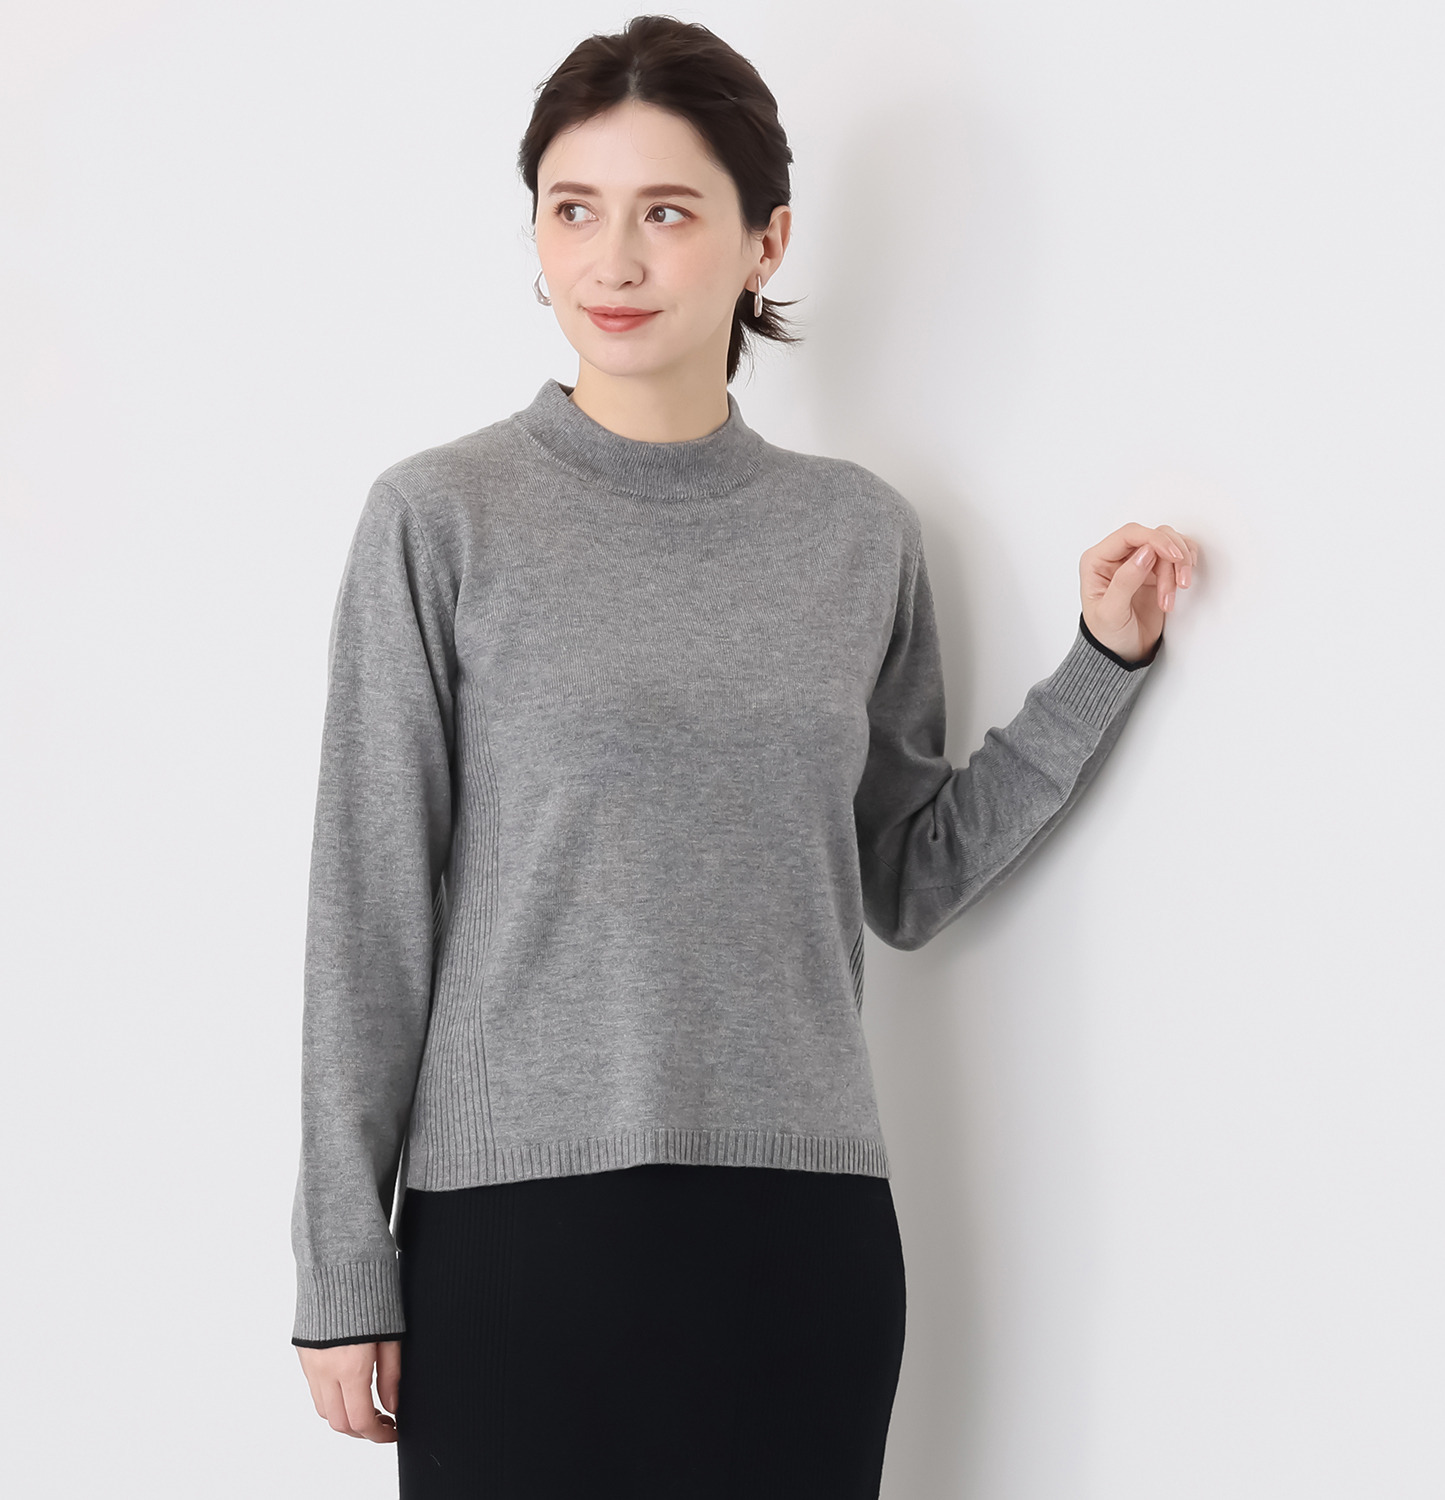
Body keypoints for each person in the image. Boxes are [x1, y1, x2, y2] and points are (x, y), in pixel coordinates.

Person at [289, 15, 1198, 1497]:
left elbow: (908, 875)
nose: (613, 261)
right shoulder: (439, 519)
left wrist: (1102, 665)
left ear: (764, 240)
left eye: (666, 212)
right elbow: (368, 907)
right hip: (513, 1237)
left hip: (796, 1232)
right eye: (574, 210)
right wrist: (343, 1261)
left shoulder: (855, 534)